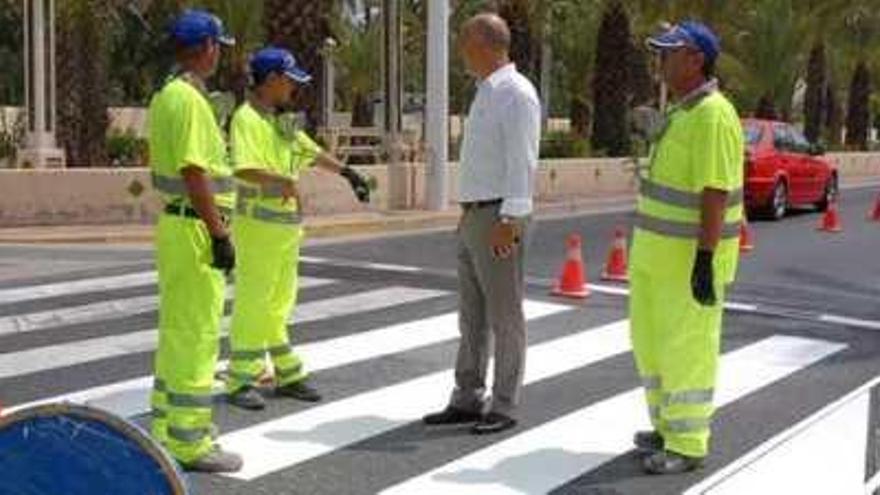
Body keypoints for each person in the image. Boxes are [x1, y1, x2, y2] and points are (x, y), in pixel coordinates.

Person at [226, 47, 371, 411]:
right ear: (273, 79)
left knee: (279, 301)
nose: (294, 88)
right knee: (254, 301)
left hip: (285, 230)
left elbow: (310, 151)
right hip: (258, 227)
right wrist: (285, 184)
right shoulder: (246, 119)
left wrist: (348, 173)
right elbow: (245, 168)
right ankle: (240, 377)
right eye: (290, 81)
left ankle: (286, 371)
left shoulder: (282, 120)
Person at [629, 21, 745, 474]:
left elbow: (715, 192)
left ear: (696, 59)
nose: (661, 62)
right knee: (652, 346)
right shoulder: (682, 112)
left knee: (687, 350)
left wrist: (704, 260)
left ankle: (688, 442)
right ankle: (664, 425)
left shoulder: (714, 114)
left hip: (685, 264)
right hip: (656, 260)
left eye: (669, 53)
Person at [422, 13, 540, 435]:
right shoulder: (486, 92)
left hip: (499, 216)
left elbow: (522, 162)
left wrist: (510, 218)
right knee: (471, 315)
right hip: (474, 214)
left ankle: (504, 403)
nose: (461, 52)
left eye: (465, 44)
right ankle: (467, 396)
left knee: (505, 315)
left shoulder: (516, 93)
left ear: (486, 45)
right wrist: (468, 213)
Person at [148, 9, 241, 472]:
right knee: (198, 335)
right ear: (205, 48)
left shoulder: (168, 95)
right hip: (195, 228)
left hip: (179, 227)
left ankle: (165, 427)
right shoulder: (187, 100)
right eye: (218, 47)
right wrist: (220, 234)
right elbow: (194, 170)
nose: (220, 55)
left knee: (178, 332)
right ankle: (190, 441)